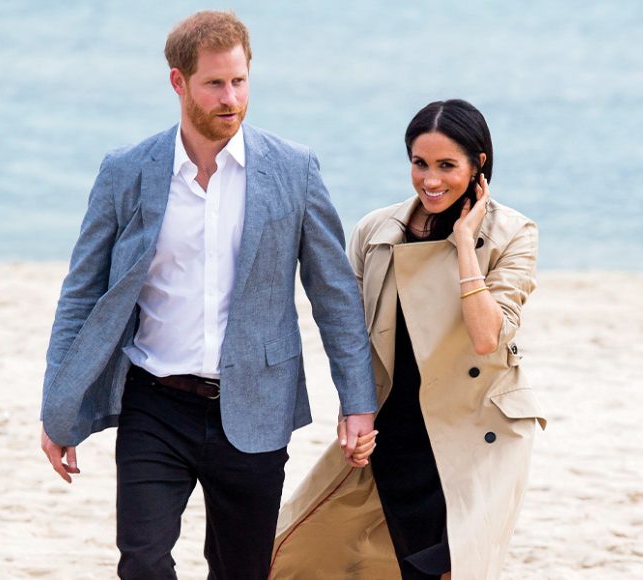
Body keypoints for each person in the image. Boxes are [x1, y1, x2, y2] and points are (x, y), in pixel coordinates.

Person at [38, 11, 378, 579]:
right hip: (155, 400)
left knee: (240, 569)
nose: (231, 98)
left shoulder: (293, 169)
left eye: (240, 81)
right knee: (142, 563)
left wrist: (358, 402)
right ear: (179, 82)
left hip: (256, 404)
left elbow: (335, 293)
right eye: (215, 83)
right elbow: (81, 292)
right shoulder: (127, 171)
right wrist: (58, 406)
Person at [270, 99, 547, 579]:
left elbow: (487, 337)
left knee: (457, 566)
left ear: (479, 165)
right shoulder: (376, 231)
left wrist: (464, 245)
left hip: (475, 435)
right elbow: (351, 338)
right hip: (399, 432)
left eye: (447, 166)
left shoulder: (513, 234)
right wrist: (351, 413)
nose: (430, 180)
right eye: (420, 164)